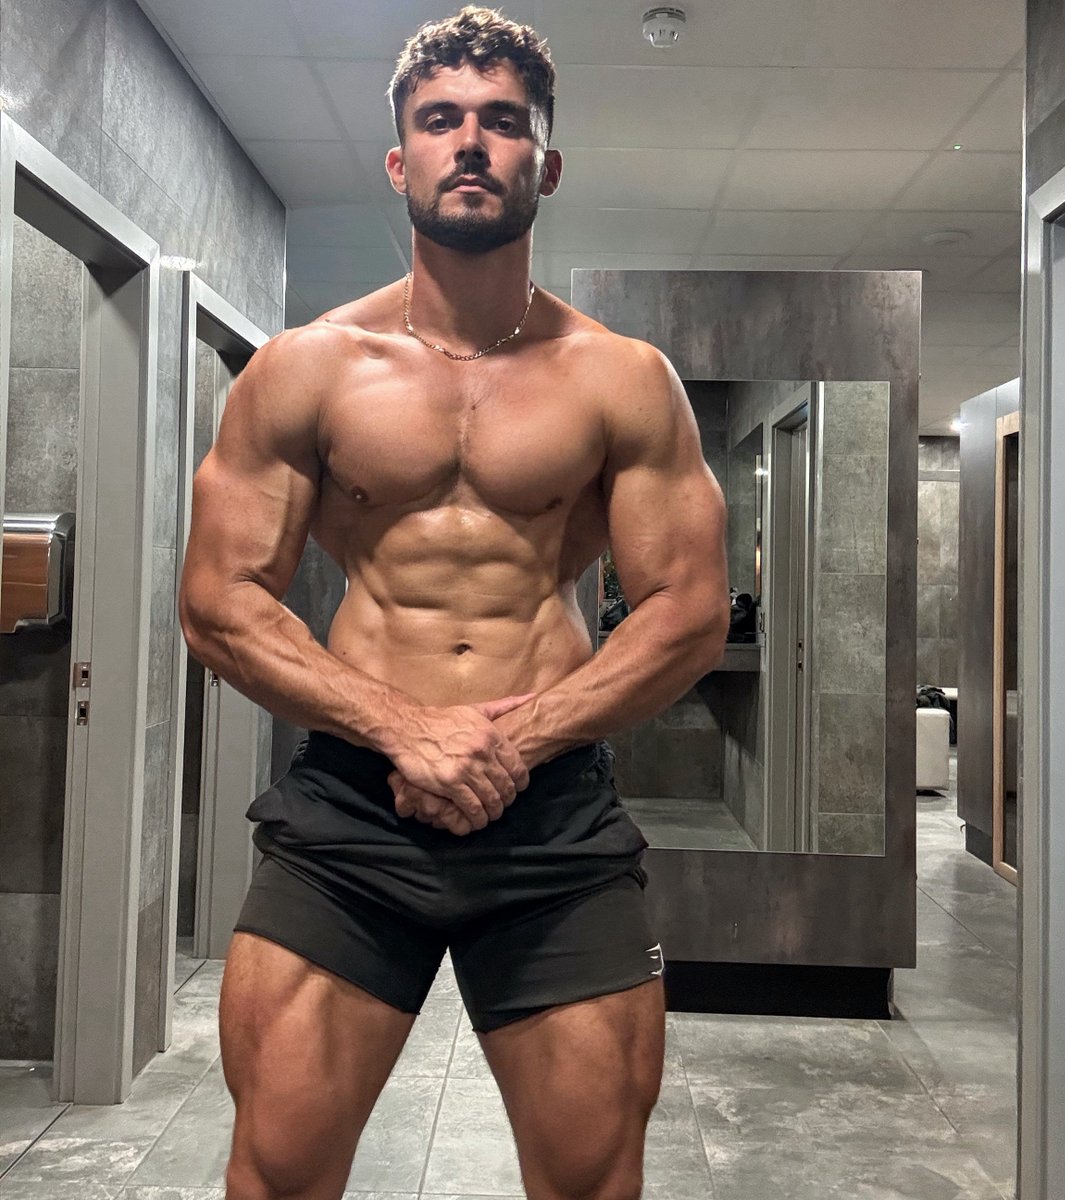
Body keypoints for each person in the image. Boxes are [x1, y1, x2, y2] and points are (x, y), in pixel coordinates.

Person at [178, 7, 728, 1199]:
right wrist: (402, 728)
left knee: (592, 1181)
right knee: (278, 1173)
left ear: (546, 163)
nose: (470, 142)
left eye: (501, 122)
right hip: (353, 812)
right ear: (399, 160)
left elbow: (688, 609)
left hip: (551, 814)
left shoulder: (622, 379)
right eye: (440, 120)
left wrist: (511, 741)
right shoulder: (307, 368)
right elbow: (218, 598)